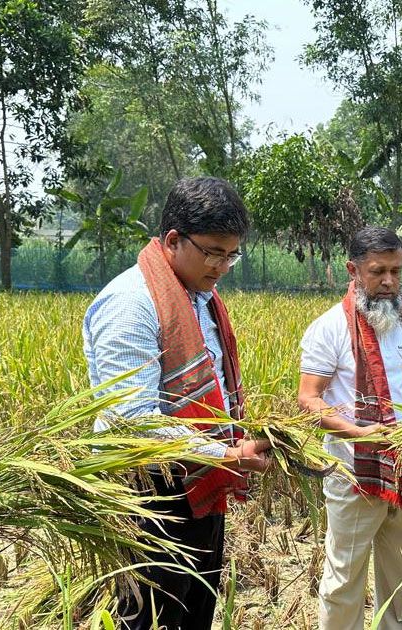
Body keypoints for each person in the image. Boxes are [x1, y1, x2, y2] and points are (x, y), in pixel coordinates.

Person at [83, 176, 272, 630]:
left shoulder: (201, 298)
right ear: (173, 240)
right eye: (213, 252)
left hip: (199, 483)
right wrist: (227, 454)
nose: (224, 266)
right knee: (149, 616)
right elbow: (132, 420)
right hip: (147, 492)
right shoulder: (132, 303)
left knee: (194, 610)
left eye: (232, 254)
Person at [297, 226, 402, 630]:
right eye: (377, 271)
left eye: (395, 270)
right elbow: (308, 399)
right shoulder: (330, 328)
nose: (389, 281)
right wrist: (359, 433)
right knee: (344, 580)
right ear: (352, 270)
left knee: (401, 577)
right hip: (355, 473)